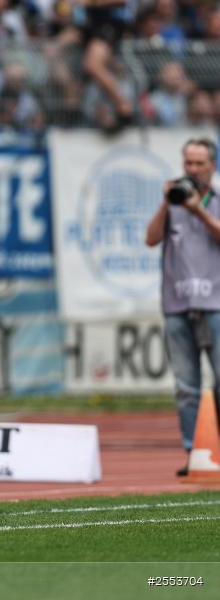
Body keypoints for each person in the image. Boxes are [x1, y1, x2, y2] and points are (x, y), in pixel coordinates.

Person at [145, 138, 220, 476]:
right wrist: (166, 203)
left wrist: (197, 210)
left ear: (212, 166)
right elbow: (150, 239)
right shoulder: (172, 203)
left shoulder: (215, 200)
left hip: (216, 302)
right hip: (177, 303)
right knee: (186, 386)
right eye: (188, 163)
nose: (192, 169)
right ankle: (195, 452)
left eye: (199, 163)